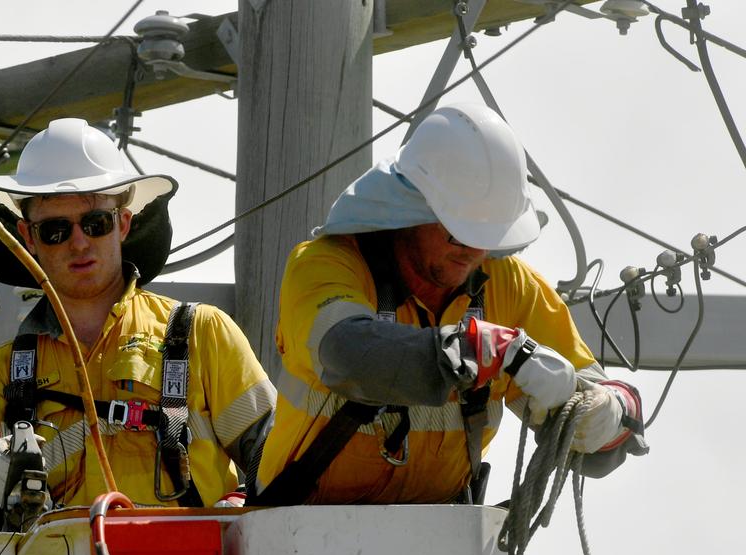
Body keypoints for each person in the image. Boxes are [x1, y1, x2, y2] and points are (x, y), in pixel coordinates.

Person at [253, 103, 647, 506]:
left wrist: (608, 411)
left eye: (487, 237)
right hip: (298, 531)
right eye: (458, 234)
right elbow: (349, 354)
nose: (472, 252)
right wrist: (479, 348)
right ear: (409, 211)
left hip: (440, 539)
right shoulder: (326, 264)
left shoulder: (508, 285)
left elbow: (597, 401)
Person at [0, 118, 276, 530]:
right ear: (28, 236)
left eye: (95, 223)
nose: (79, 243)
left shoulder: (200, 332)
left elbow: (279, 461)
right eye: (56, 230)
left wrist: (240, 501)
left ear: (124, 224)